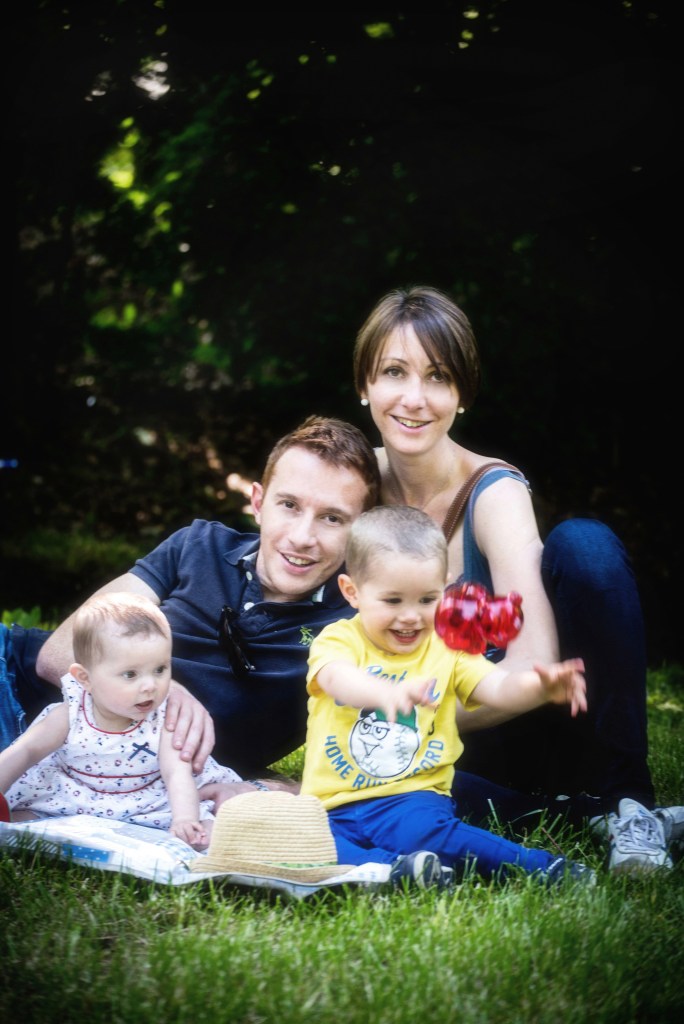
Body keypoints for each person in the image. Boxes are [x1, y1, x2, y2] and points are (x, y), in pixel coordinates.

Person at [352, 284, 683, 873]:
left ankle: (626, 801)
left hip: (523, 727)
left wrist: (402, 709)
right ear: (365, 385)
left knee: (585, 546)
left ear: (462, 394)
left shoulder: (494, 491)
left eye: (438, 376)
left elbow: (533, 662)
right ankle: (576, 814)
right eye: (394, 372)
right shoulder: (351, 484)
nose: (414, 398)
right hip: (425, 758)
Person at [0, 416, 381, 788]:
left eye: (332, 518)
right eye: (289, 505)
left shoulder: (356, 625)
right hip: (14, 689)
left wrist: (268, 787)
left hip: (99, 781)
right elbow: (58, 653)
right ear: (259, 503)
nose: (302, 537)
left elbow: (371, 771)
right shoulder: (200, 545)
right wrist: (164, 693)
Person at [300, 505, 595, 888]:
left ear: (445, 588)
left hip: (408, 796)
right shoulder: (340, 638)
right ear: (352, 591)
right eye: (393, 601)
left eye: (427, 600)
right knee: (309, 846)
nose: (411, 616)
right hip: (328, 805)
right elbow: (336, 677)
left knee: (427, 833)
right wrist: (384, 692)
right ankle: (397, 871)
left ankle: (542, 868)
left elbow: (495, 687)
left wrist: (538, 688)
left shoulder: (447, 649)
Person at [0, 592, 241, 847]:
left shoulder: (164, 718)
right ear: (85, 678)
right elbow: (25, 751)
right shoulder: (71, 714)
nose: (150, 685)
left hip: (146, 798)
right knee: (21, 821)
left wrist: (184, 818)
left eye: (160, 669)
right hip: (74, 792)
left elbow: (176, 774)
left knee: (206, 832)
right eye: (130, 675)